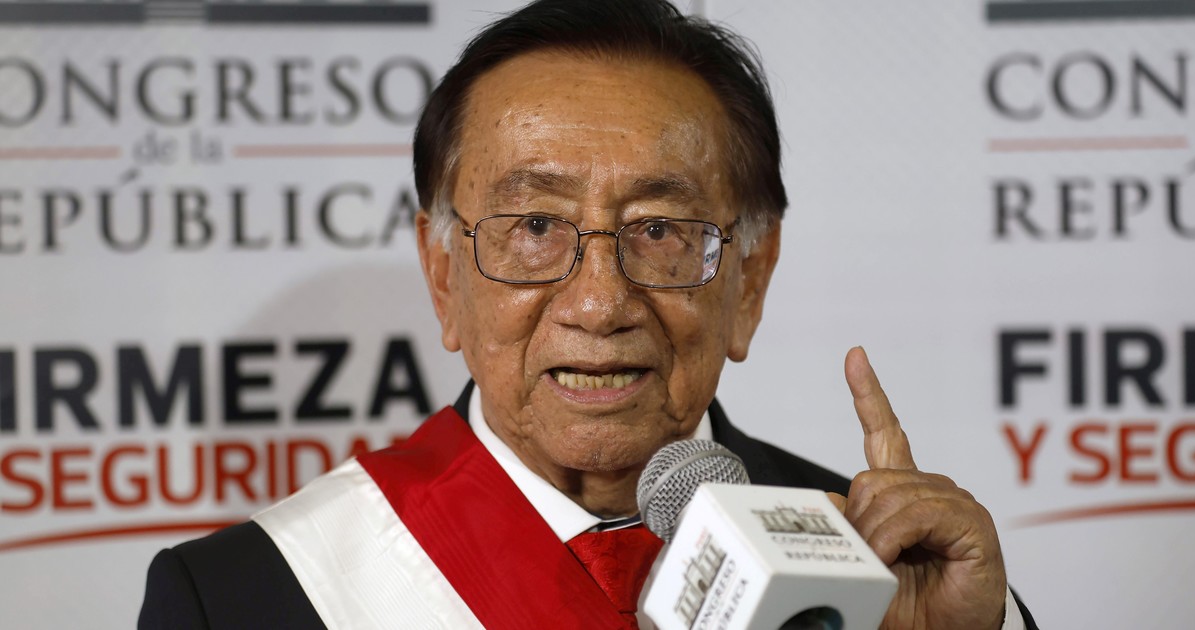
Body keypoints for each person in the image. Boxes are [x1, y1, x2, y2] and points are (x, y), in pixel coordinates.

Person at [139, 1, 1038, 628]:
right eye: (535, 226)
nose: (601, 303)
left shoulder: (873, 569)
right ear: (443, 274)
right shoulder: (251, 596)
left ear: (750, 282)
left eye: (660, 230)